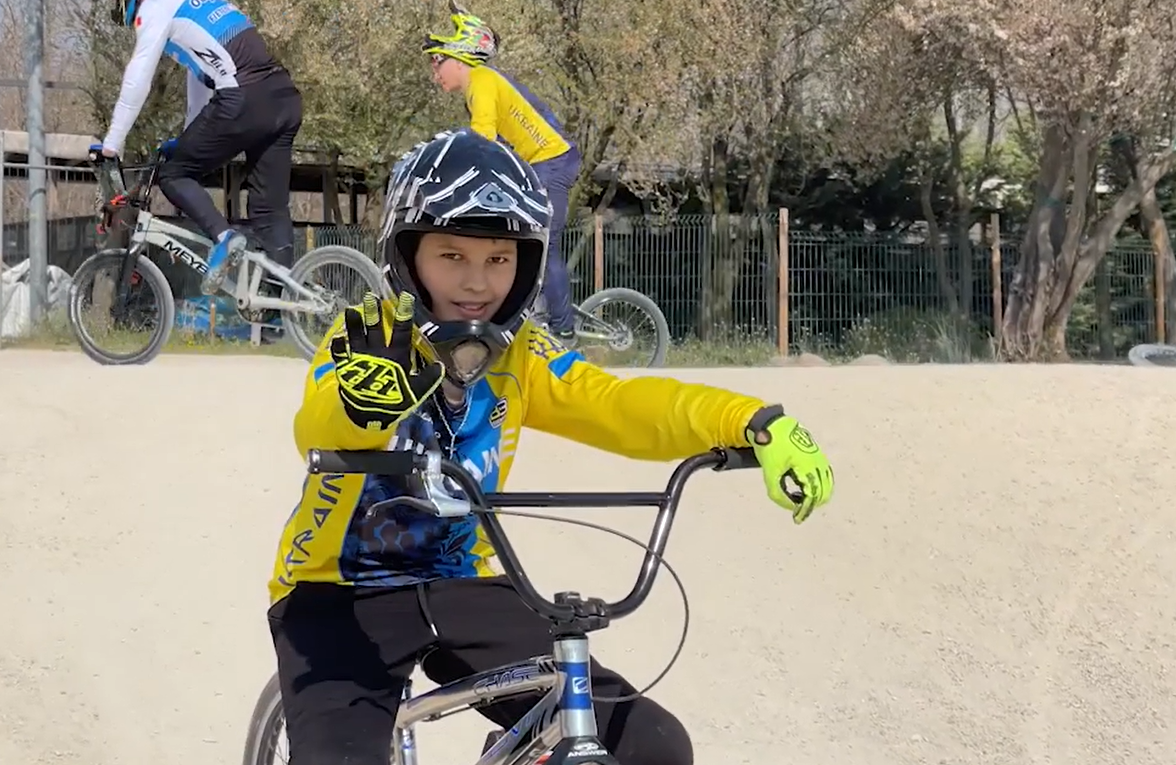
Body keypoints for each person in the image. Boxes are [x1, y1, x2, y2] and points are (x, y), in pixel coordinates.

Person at [268, 129, 836, 765]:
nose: (478, 282)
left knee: (652, 745)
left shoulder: (524, 356)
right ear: (407, 254)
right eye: (451, 256)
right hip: (338, 592)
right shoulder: (369, 336)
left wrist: (749, 420)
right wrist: (357, 407)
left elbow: (621, 407)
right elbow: (315, 427)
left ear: (527, 264)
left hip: (465, 582)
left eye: (499, 259)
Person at [98, 0, 303, 296]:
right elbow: (202, 86)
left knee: (173, 175)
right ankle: (278, 308)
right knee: (269, 209)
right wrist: (185, 141)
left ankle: (224, 237)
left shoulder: (154, 7)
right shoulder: (198, 4)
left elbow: (138, 77)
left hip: (244, 97)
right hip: (283, 97)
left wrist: (112, 144)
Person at [424, 10, 581, 344]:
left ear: (460, 58)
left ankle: (563, 331)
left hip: (552, 161)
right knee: (519, 238)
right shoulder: (481, 84)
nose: (434, 71)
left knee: (541, 245)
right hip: (540, 163)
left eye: (438, 61)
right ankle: (534, 313)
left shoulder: (480, 81)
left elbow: (481, 145)